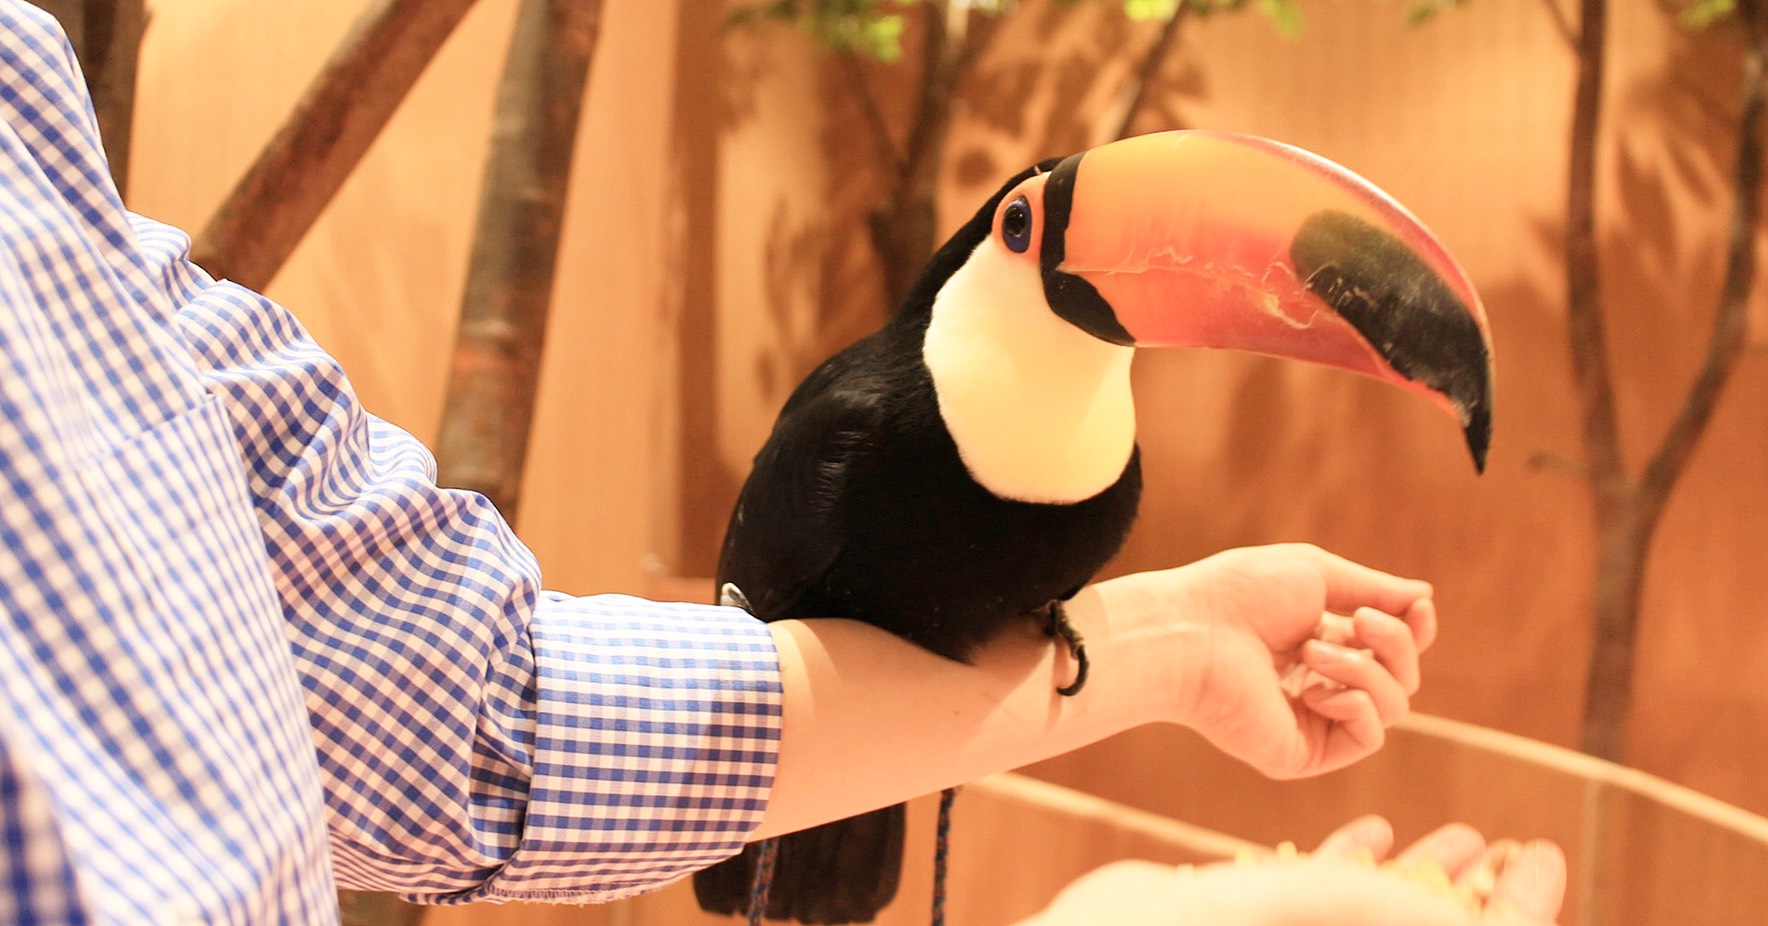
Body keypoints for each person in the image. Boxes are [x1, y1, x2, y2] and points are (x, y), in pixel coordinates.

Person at [0, 3, 1562, 923]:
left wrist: (1174, 641)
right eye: (1029, 228)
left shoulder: (38, 136)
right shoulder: (869, 419)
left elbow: (484, 709)